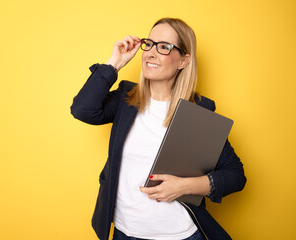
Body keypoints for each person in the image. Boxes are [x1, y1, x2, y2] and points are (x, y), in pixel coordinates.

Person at [71, 18, 246, 240]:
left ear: (184, 61)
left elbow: (235, 176)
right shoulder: (126, 100)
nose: (151, 53)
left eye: (163, 47)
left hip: (179, 235)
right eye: (149, 44)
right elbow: (82, 110)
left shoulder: (196, 114)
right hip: (125, 232)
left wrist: (183, 186)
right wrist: (115, 62)